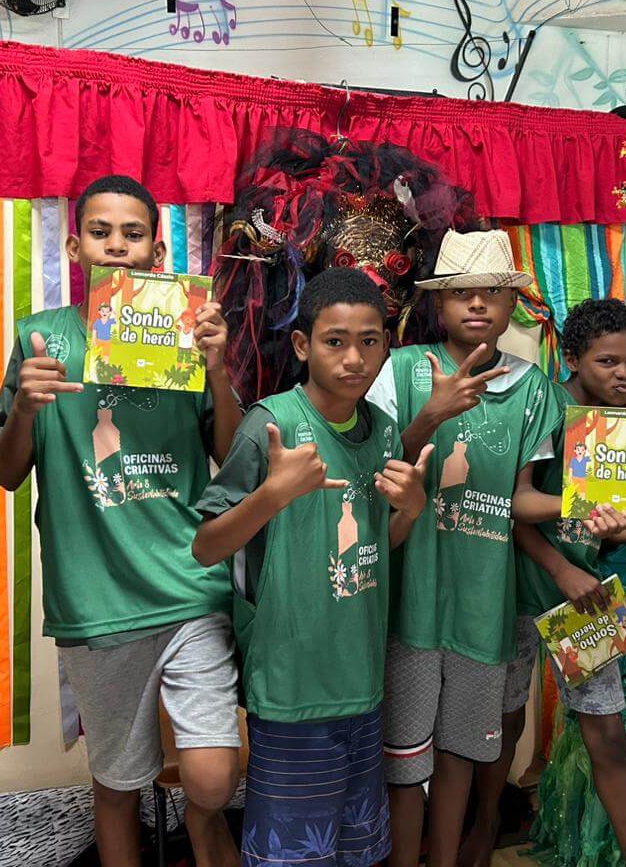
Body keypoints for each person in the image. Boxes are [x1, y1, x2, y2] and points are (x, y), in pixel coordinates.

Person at [0, 174, 243, 867]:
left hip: (189, 586)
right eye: (101, 232)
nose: (117, 246)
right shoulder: (41, 337)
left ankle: (204, 826)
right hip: (95, 602)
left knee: (213, 778)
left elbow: (229, 456)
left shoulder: (186, 332)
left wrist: (218, 370)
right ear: (76, 247)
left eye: (133, 234)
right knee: (118, 784)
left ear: (158, 251)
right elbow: (6, 473)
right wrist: (26, 409)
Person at [191, 268, 431, 867]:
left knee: (355, 852)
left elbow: (375, 545)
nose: (354, 358)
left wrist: (410, 511)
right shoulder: (271, 425)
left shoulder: (383, 432)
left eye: (369, 341)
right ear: (302, 345)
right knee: (293, 857)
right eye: (335, 341)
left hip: (362, 683)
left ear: (386, 344)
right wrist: (273, 495)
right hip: (292, 690)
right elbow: (206, 547)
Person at [365, 230, 563, 867]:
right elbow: (370, 470)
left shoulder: (533, 388)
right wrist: (431, 413)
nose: (477, 304)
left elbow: (521, 498)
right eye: (461, 293)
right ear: (439, 304)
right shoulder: (402, 369)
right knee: (404, 761)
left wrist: (583, 504)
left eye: (492, 293)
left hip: (483, 607)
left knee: (460, 756)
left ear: (512, 306)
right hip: (409, 604)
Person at [481, 298, 626, 867]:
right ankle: (481, 837)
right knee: (504, 723)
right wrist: (561, 565)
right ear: (574, 359)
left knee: (607, 732)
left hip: (590, 593)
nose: (624, 373)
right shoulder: (547, 406)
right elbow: (514, 503)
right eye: (608, 361)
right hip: (520, 585)